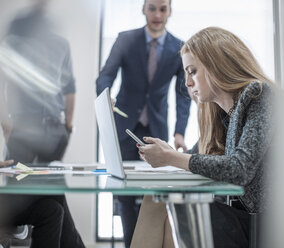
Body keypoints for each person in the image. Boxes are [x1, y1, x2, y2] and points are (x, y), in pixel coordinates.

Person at [131, 27, 277, 248]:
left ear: (217, 66)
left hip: (263, 225)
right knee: (156, 199)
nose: (188, 82)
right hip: (238, 217)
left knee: (170, 210)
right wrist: (166, 151)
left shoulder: (259, 96)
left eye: (192, 71)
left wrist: (171, 157)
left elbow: (240, 168)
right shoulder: (221, 113)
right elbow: (193, 157)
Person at [96, 0, 191, 246]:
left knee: (152, 194)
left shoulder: (179, 47)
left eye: (163, 8)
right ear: (143, 9)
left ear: (170, 11)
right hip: (125, 128)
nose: (157, 14)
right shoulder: (125, 39)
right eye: (152, 8)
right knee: (125, 196)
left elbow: (183, 95)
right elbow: (106, 74)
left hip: (157, 130)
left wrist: (180, 132)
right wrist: (105, 95)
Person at [0, 2, 85, 247]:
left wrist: (68, 125)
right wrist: (6, 121)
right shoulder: (15, 43)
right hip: (23, 130)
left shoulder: (61, 44)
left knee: (51, 195)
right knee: (48, 192)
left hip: (54, 130)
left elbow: (69, 87)